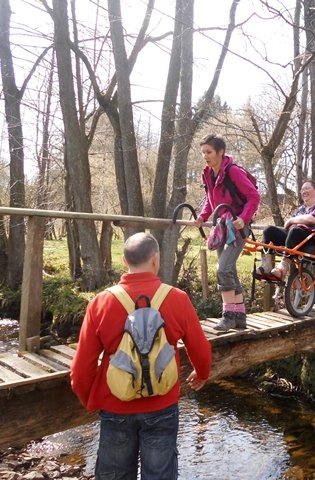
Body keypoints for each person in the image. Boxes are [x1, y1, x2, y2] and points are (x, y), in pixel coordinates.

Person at [70, 232, 212, 479]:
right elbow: (200, 349)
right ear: (155, 259)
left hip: (116, 405)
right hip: (162, 404)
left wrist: (92, 400)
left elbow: (80, 370)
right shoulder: (178, 298)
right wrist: (202, 374)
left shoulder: (101, 302)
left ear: (125, 261)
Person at [194, 134, 260, 331]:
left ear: (220, 152)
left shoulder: (233, 172)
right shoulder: (207, 173)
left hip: (236, 228)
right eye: (203, 152)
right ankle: (240, 317)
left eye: (209, 152)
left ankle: (228, 315)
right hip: (220, 227)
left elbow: (254, 197)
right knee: (229, 270)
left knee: (222, 269)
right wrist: (202, 217)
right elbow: (210, 199)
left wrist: (243, 218)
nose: (206, 156)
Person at [256, 180, 315, 281]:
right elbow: (287, 226)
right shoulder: (301, 209)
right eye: (302, 190)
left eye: (307, 188)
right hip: (296, 237)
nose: (304, 191)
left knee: (295, 230)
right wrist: (293, 222)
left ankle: (283, 268)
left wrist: (291, 220)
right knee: (269, 230)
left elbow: (311, 219)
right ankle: (265, 266)